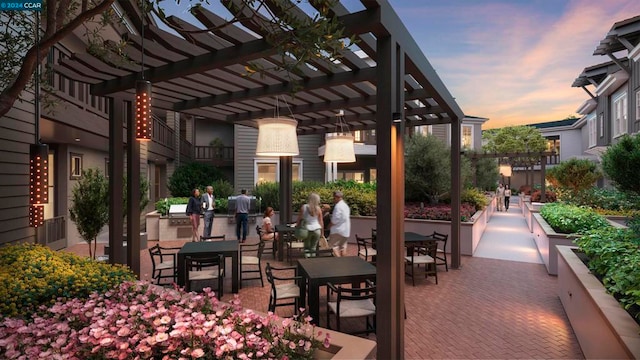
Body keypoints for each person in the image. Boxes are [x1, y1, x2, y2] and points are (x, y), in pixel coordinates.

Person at [296, 193, 323, 257]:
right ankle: (312, 261)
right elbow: (321, 221)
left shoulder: (304, 207)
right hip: (317, 229)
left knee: (307, 247)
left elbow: (299, 218)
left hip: (307, 229)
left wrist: (297, 226)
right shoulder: (318, 209)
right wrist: (322, 232)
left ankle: (307, 260)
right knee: (313, 247)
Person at [329, 190, 350, 257]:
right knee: (343, 247)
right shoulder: (346, 206)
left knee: (333, 247)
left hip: (337, 231)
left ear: (337, 197)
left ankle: (339, 262)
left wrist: (329, 226)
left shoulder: (338, 206)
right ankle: (343, 263)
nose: (333, 199)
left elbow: (335, 220)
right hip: (346, 231)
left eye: (334, 198)